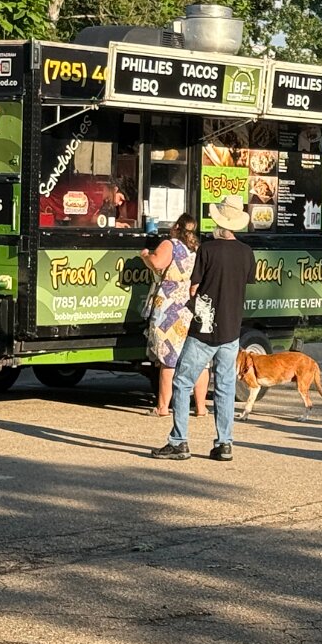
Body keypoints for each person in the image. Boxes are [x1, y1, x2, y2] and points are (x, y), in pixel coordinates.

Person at [150, 195, 255, 463]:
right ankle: (224, 443)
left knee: (182, 381)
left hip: (204, 328)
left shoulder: (207, 250)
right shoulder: (246, 252)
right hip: (232, 329)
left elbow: (194, 286)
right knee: (225, 386)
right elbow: (246, 283)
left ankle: (179, 441)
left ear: (218, 222)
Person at [139, 213, 209, 419]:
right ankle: (201, 407)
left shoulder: (170, 244)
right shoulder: (197, 248)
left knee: (168, 357)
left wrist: (145, 256)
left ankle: (162, 407)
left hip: (170, 305)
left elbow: (158, 263)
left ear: (177, 227)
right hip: (192, 304)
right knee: (199, 359)